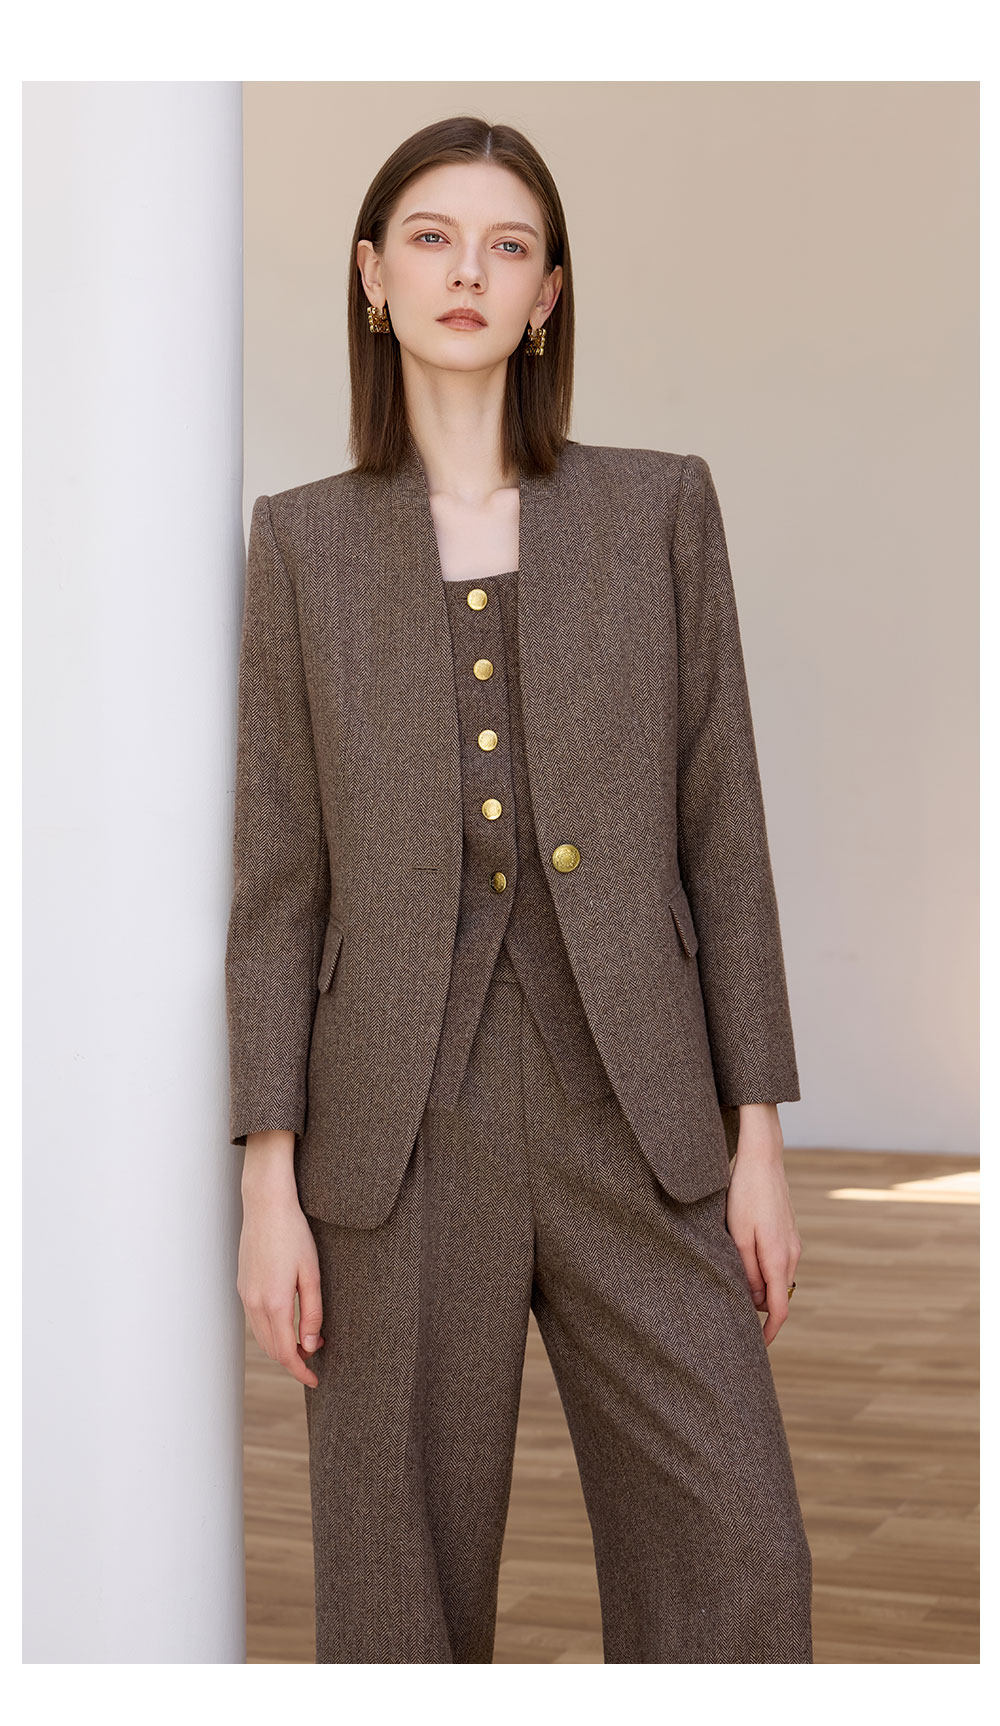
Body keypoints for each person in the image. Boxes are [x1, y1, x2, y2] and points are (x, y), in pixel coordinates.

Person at [225, 115, 813, 1664]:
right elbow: (280, 880)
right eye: (431, 237)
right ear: (372, 275)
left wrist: (758, 1134)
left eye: (507, 245)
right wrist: (269, 1186)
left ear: (549, 292)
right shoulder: (301, 546)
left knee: (741, 1555)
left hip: (642, 1113)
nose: (467, 271)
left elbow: (724, 832)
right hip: (395, 1135)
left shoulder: (659, 510)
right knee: (395, 1598)